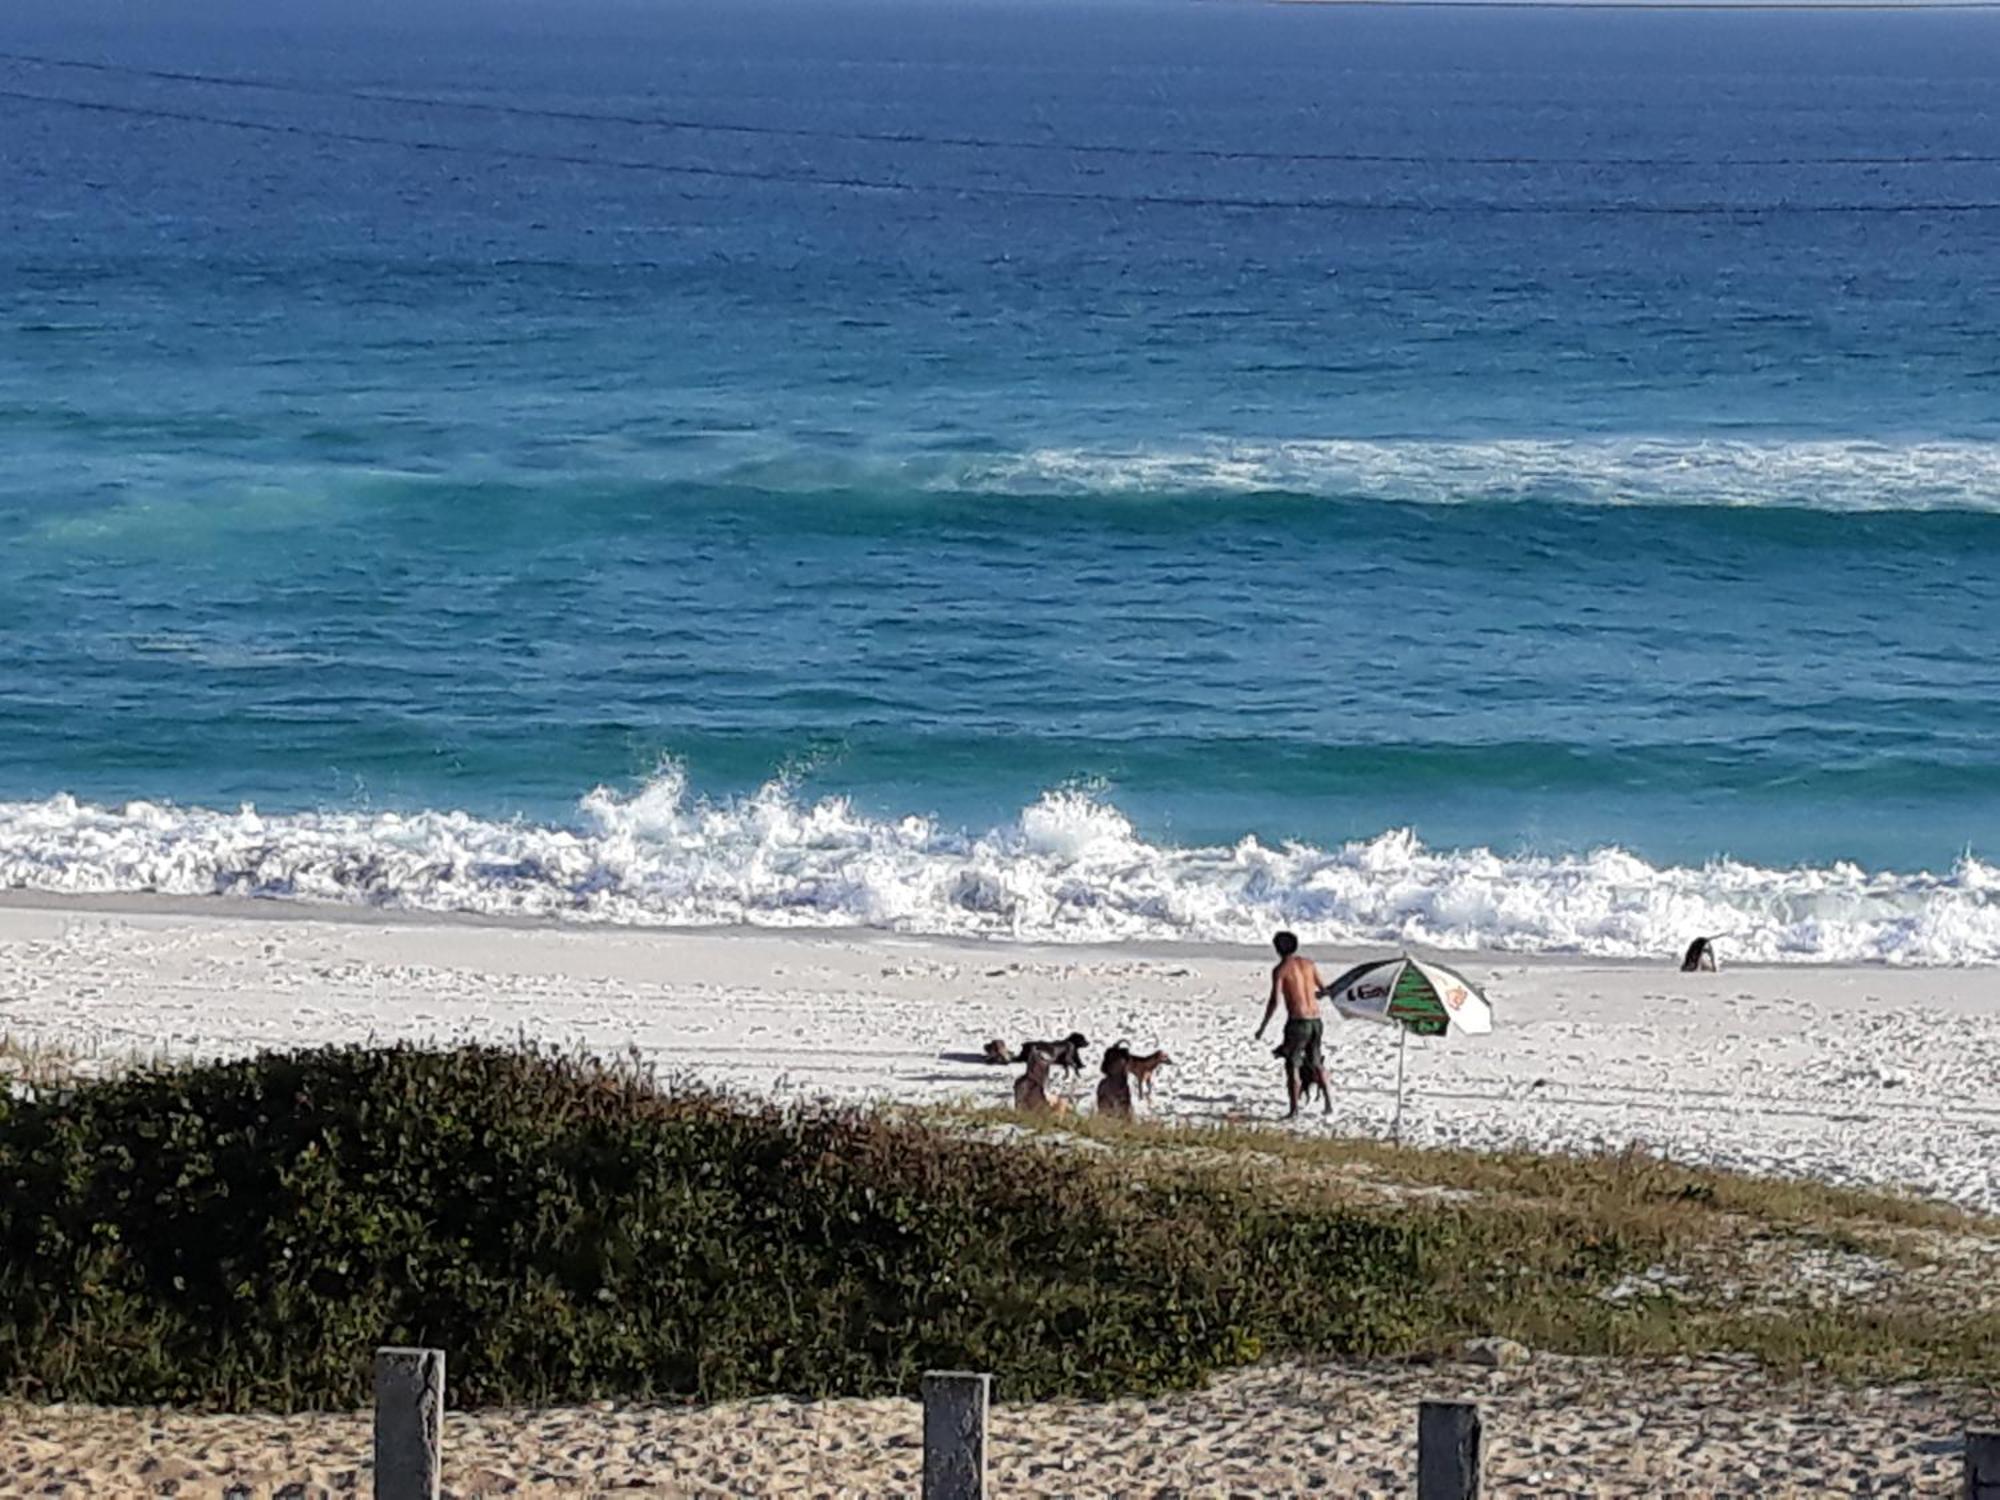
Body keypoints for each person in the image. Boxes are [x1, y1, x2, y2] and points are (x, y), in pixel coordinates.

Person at [1254, 930, 1331, 1118]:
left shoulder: (1281, 970)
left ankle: (1294, 1109)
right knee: (1316, 1062)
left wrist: (1263, 1026)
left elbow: (1275, 1001)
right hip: (1316, 1020)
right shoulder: (1309, 965)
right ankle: (1328, 1103)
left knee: (1293, 1064)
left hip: (1298, 1022)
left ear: (1277, 949)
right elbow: (1323, 990)